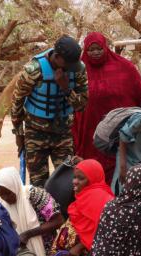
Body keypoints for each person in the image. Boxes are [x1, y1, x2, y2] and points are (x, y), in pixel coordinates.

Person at [71, 32, 141, 184]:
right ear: (85, 50)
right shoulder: (77, 70)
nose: (95, 52)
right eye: (91, 49)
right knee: (90, 174)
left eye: (99, 48)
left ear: (106, 47)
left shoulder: (125, 67)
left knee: (124, 172)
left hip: (122, 133)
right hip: (89, 134)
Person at [11, 35, 89, 187]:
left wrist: (66, 88)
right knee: (39, 184)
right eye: (68, 64)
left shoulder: (77, 69)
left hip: (63, 133)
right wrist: (19, 134)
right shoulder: (33, 70)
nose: (72, 68)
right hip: (35, 133)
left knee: (67, 181)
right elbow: (17, 103)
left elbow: (82, 106)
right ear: (57, 57)